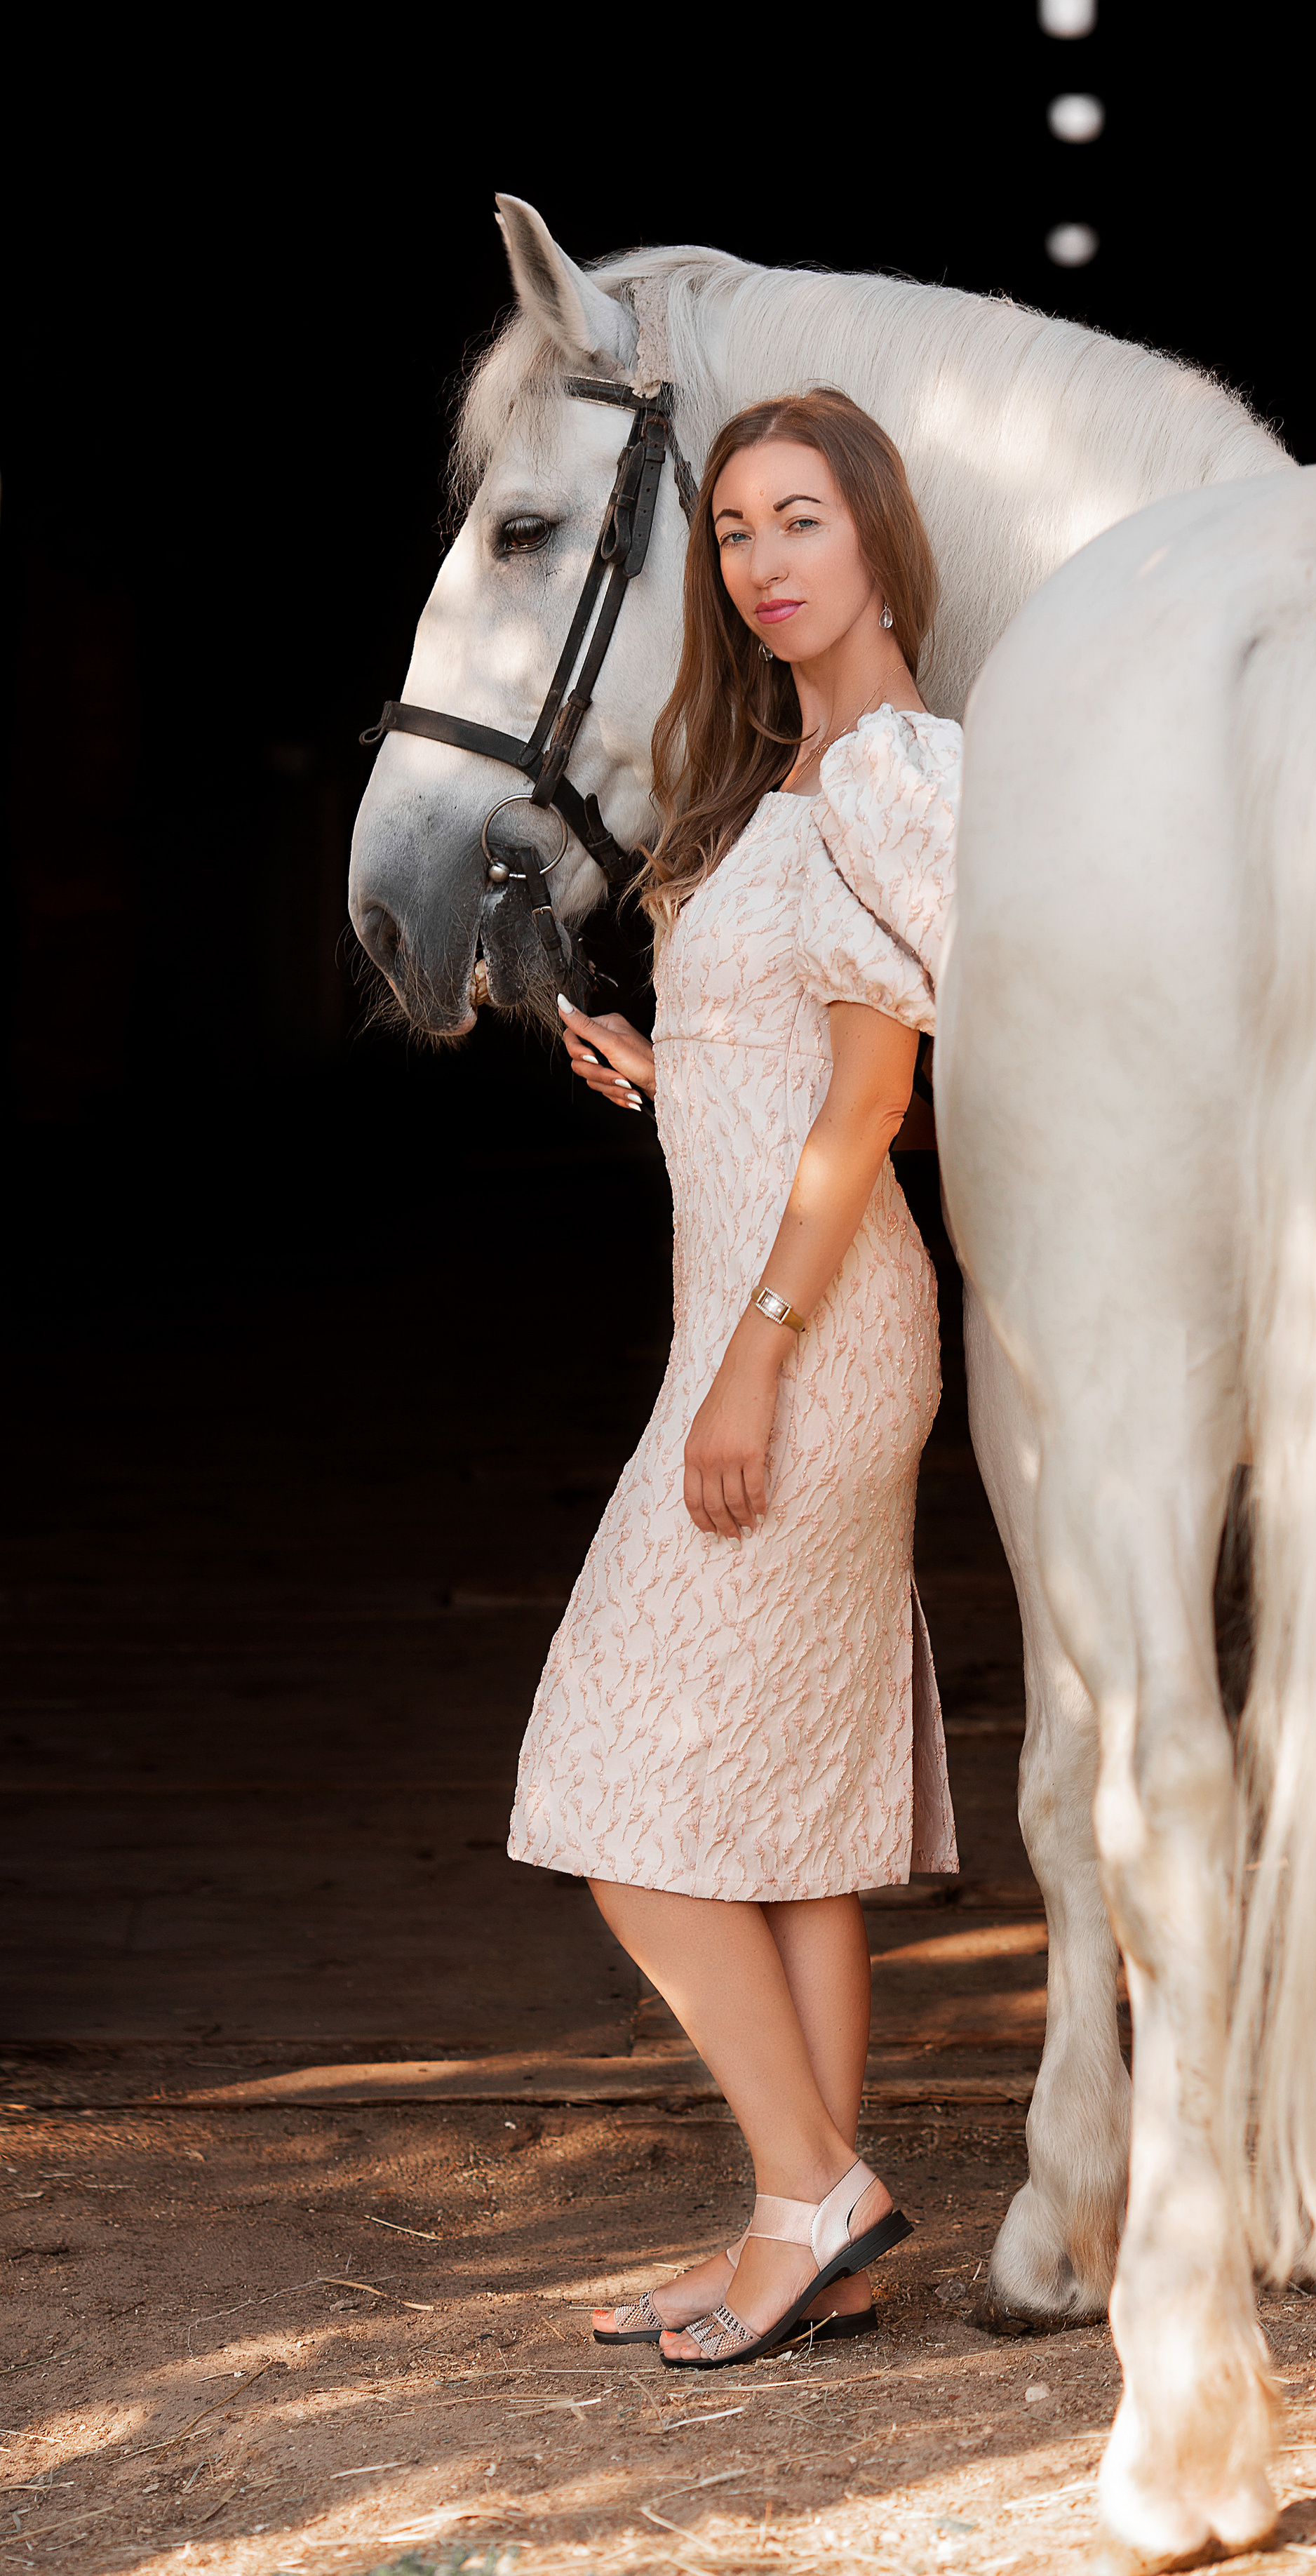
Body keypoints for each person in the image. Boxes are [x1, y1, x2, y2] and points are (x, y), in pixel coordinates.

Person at [508, 388, 961, 2370]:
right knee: (782, 1812)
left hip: (814, 1328)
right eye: (736, 537)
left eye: (804, 520)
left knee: (612, 1780)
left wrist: (759, 1362)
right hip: (762, 1310)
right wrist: (670, 1068)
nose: (768, 563)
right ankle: (814, 2233)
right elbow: (798, 1069)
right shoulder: (792, 784)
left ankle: (816, 2191)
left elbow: (879, 1095)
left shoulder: (900, 769)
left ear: (879, 543)